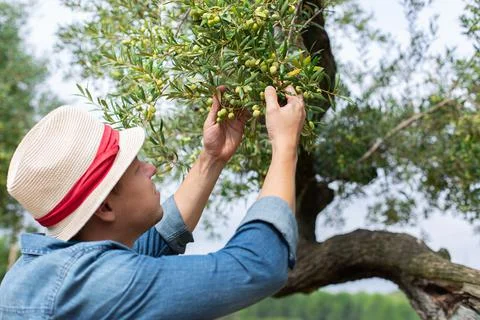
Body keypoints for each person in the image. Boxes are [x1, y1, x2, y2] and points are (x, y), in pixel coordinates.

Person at [1, 85, 305, 319]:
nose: (151, 169)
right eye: (136, 168)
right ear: (105, 208)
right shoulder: (102, 285)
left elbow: (159, 237)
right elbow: (258, 266)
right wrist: (285, 145)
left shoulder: (42, 269)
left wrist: (212, 159)